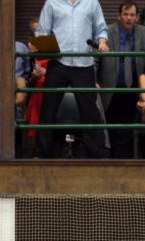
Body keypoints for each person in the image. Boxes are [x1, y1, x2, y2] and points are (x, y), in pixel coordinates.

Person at [32, 0, 110, 159]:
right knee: (48, 108)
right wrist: (39, 44)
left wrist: (102, 42)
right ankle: (41, 153)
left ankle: (98, 154)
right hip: (58, 62)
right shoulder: (51, 3)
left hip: (84, 63)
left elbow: (101, 29)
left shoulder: (92, 3)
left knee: (90, 110)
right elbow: (42, 32)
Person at [98, 2, 145, 159]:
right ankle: (115, 159)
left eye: (132, 15)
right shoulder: (107, 32)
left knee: (129, 129)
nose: (129, 18)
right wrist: (95, 81)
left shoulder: (144, 33)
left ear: (137, 17)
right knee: (112, 128)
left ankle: (125, 160)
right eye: (125, 14)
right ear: (119, 16)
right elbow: (95, 60)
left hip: (135, 89)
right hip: (111, 88)